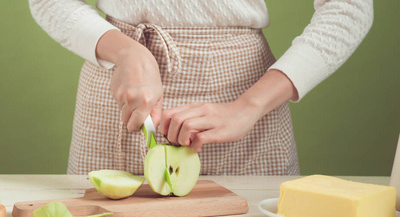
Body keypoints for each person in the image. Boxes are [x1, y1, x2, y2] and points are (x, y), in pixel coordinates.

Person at [29, 0, 373, 175]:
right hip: (120, 92)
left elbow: (349, 7)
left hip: (246, 104)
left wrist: (247, 107)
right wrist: (126, 52)